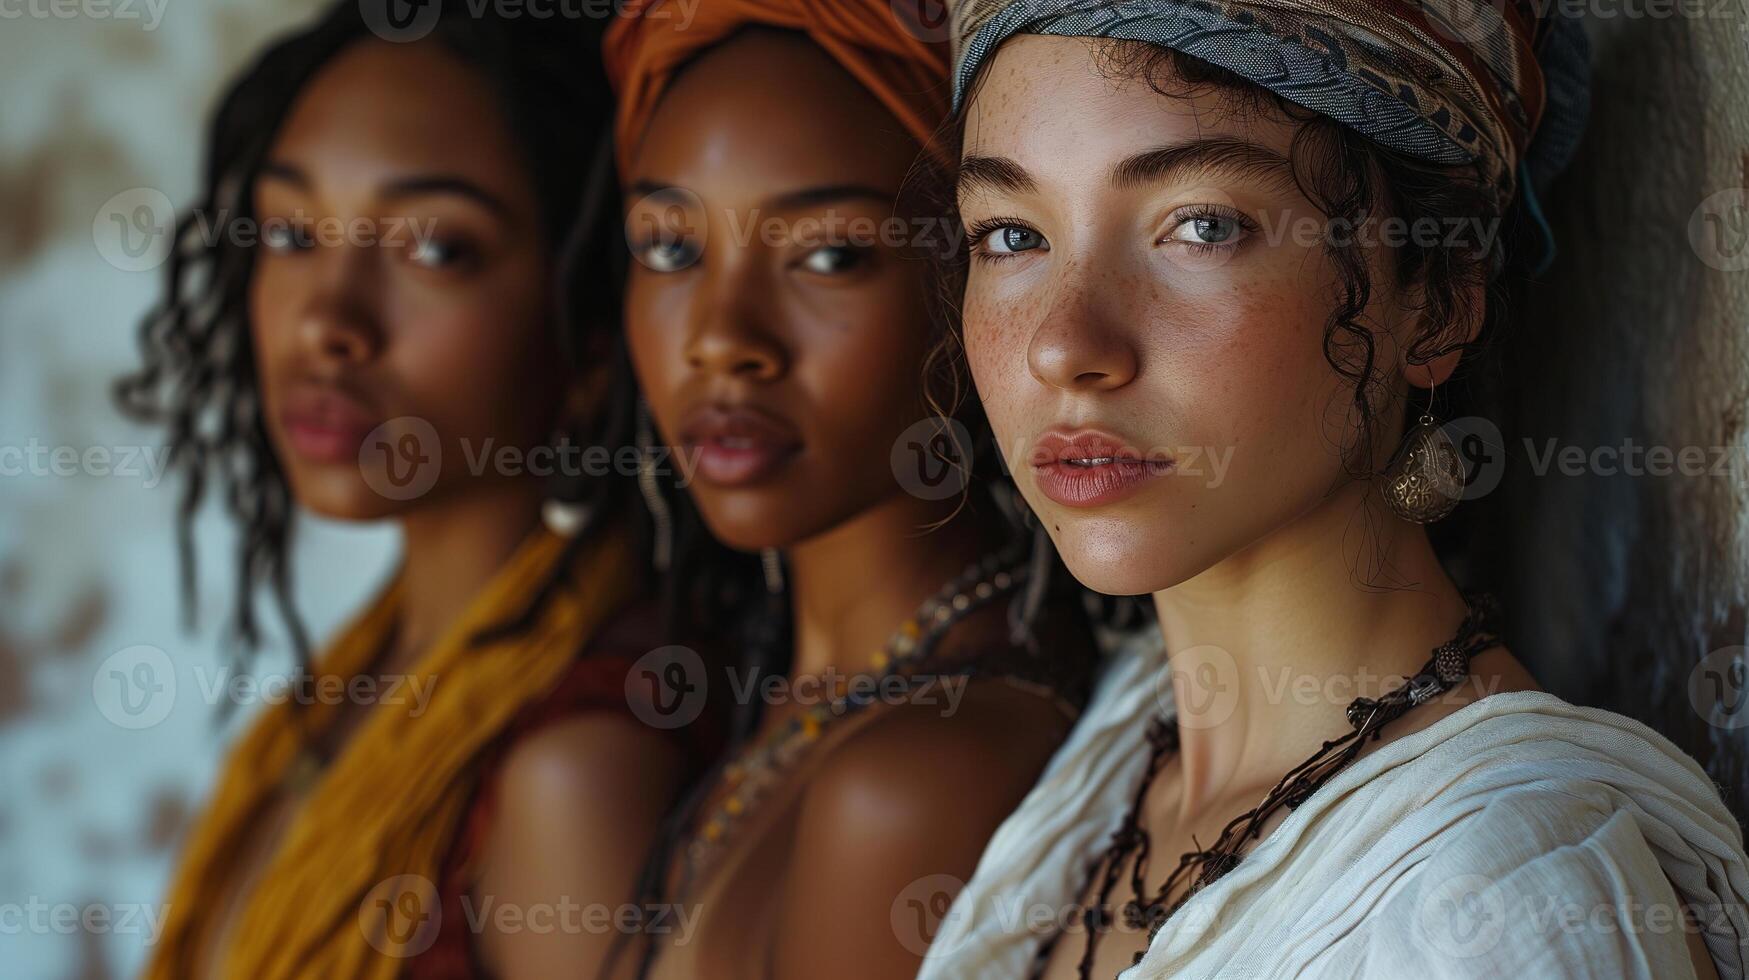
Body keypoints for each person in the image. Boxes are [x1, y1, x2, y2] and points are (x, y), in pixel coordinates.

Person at [918, 1, 1749, 978]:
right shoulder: (1121, 749)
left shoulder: (1504, 907)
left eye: (1201, 224)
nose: (1065, 345)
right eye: (1012, 234)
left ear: (1434, 301)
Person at [117, 4, 704, 978]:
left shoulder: (576, 767)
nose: (329, 321)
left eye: (435, 249)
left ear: (595, 340)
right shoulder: (355, 680)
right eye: (293, 232)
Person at [597, 2, 1099, 976]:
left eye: (828, 254)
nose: (721, 335)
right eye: (669, 246)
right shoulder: (805, 706)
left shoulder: (915, 775)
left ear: (969, 282)